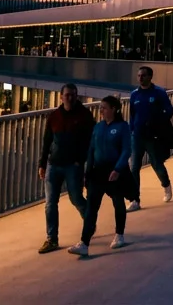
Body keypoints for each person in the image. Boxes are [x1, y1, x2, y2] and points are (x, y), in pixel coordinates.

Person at [69, 96, 132, 256]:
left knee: (118, 202)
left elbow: (126, 150)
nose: (101, 110)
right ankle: (84, 242)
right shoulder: (98, 127)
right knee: (91, 207)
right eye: (101, 107)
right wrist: (87, 171)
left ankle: (119, 234)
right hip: (98, 171)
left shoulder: (122, 127)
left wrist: (117, 169)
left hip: (115, 171)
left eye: (104, 107)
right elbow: (91, 150)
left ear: (114, 109)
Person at [38, 83, 94, 253]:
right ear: (61, 96)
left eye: (73, 95)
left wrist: (81, 161)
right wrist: (42, 164)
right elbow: (47, 140)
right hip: (53, 165)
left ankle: (89, 223)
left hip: (73, 166)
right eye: (67, 95)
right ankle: (51, 239)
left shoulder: (84, 116)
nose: (70, 98)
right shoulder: (54, 116)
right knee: (50, 204)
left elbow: (91, 141)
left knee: (76, 198)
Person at [128, 66, 173, 210]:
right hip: (137, 136)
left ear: (150, 77)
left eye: (143, 75)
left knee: (157, 164)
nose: (140, 78)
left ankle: (166, 184)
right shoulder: (134, 94)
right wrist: (131, 131)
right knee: (134, 167)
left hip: (153, 136)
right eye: (139, 75)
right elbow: (132, 115)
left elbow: (169, 111)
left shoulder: (159, 93)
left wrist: (157, 122)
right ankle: (135, 199)